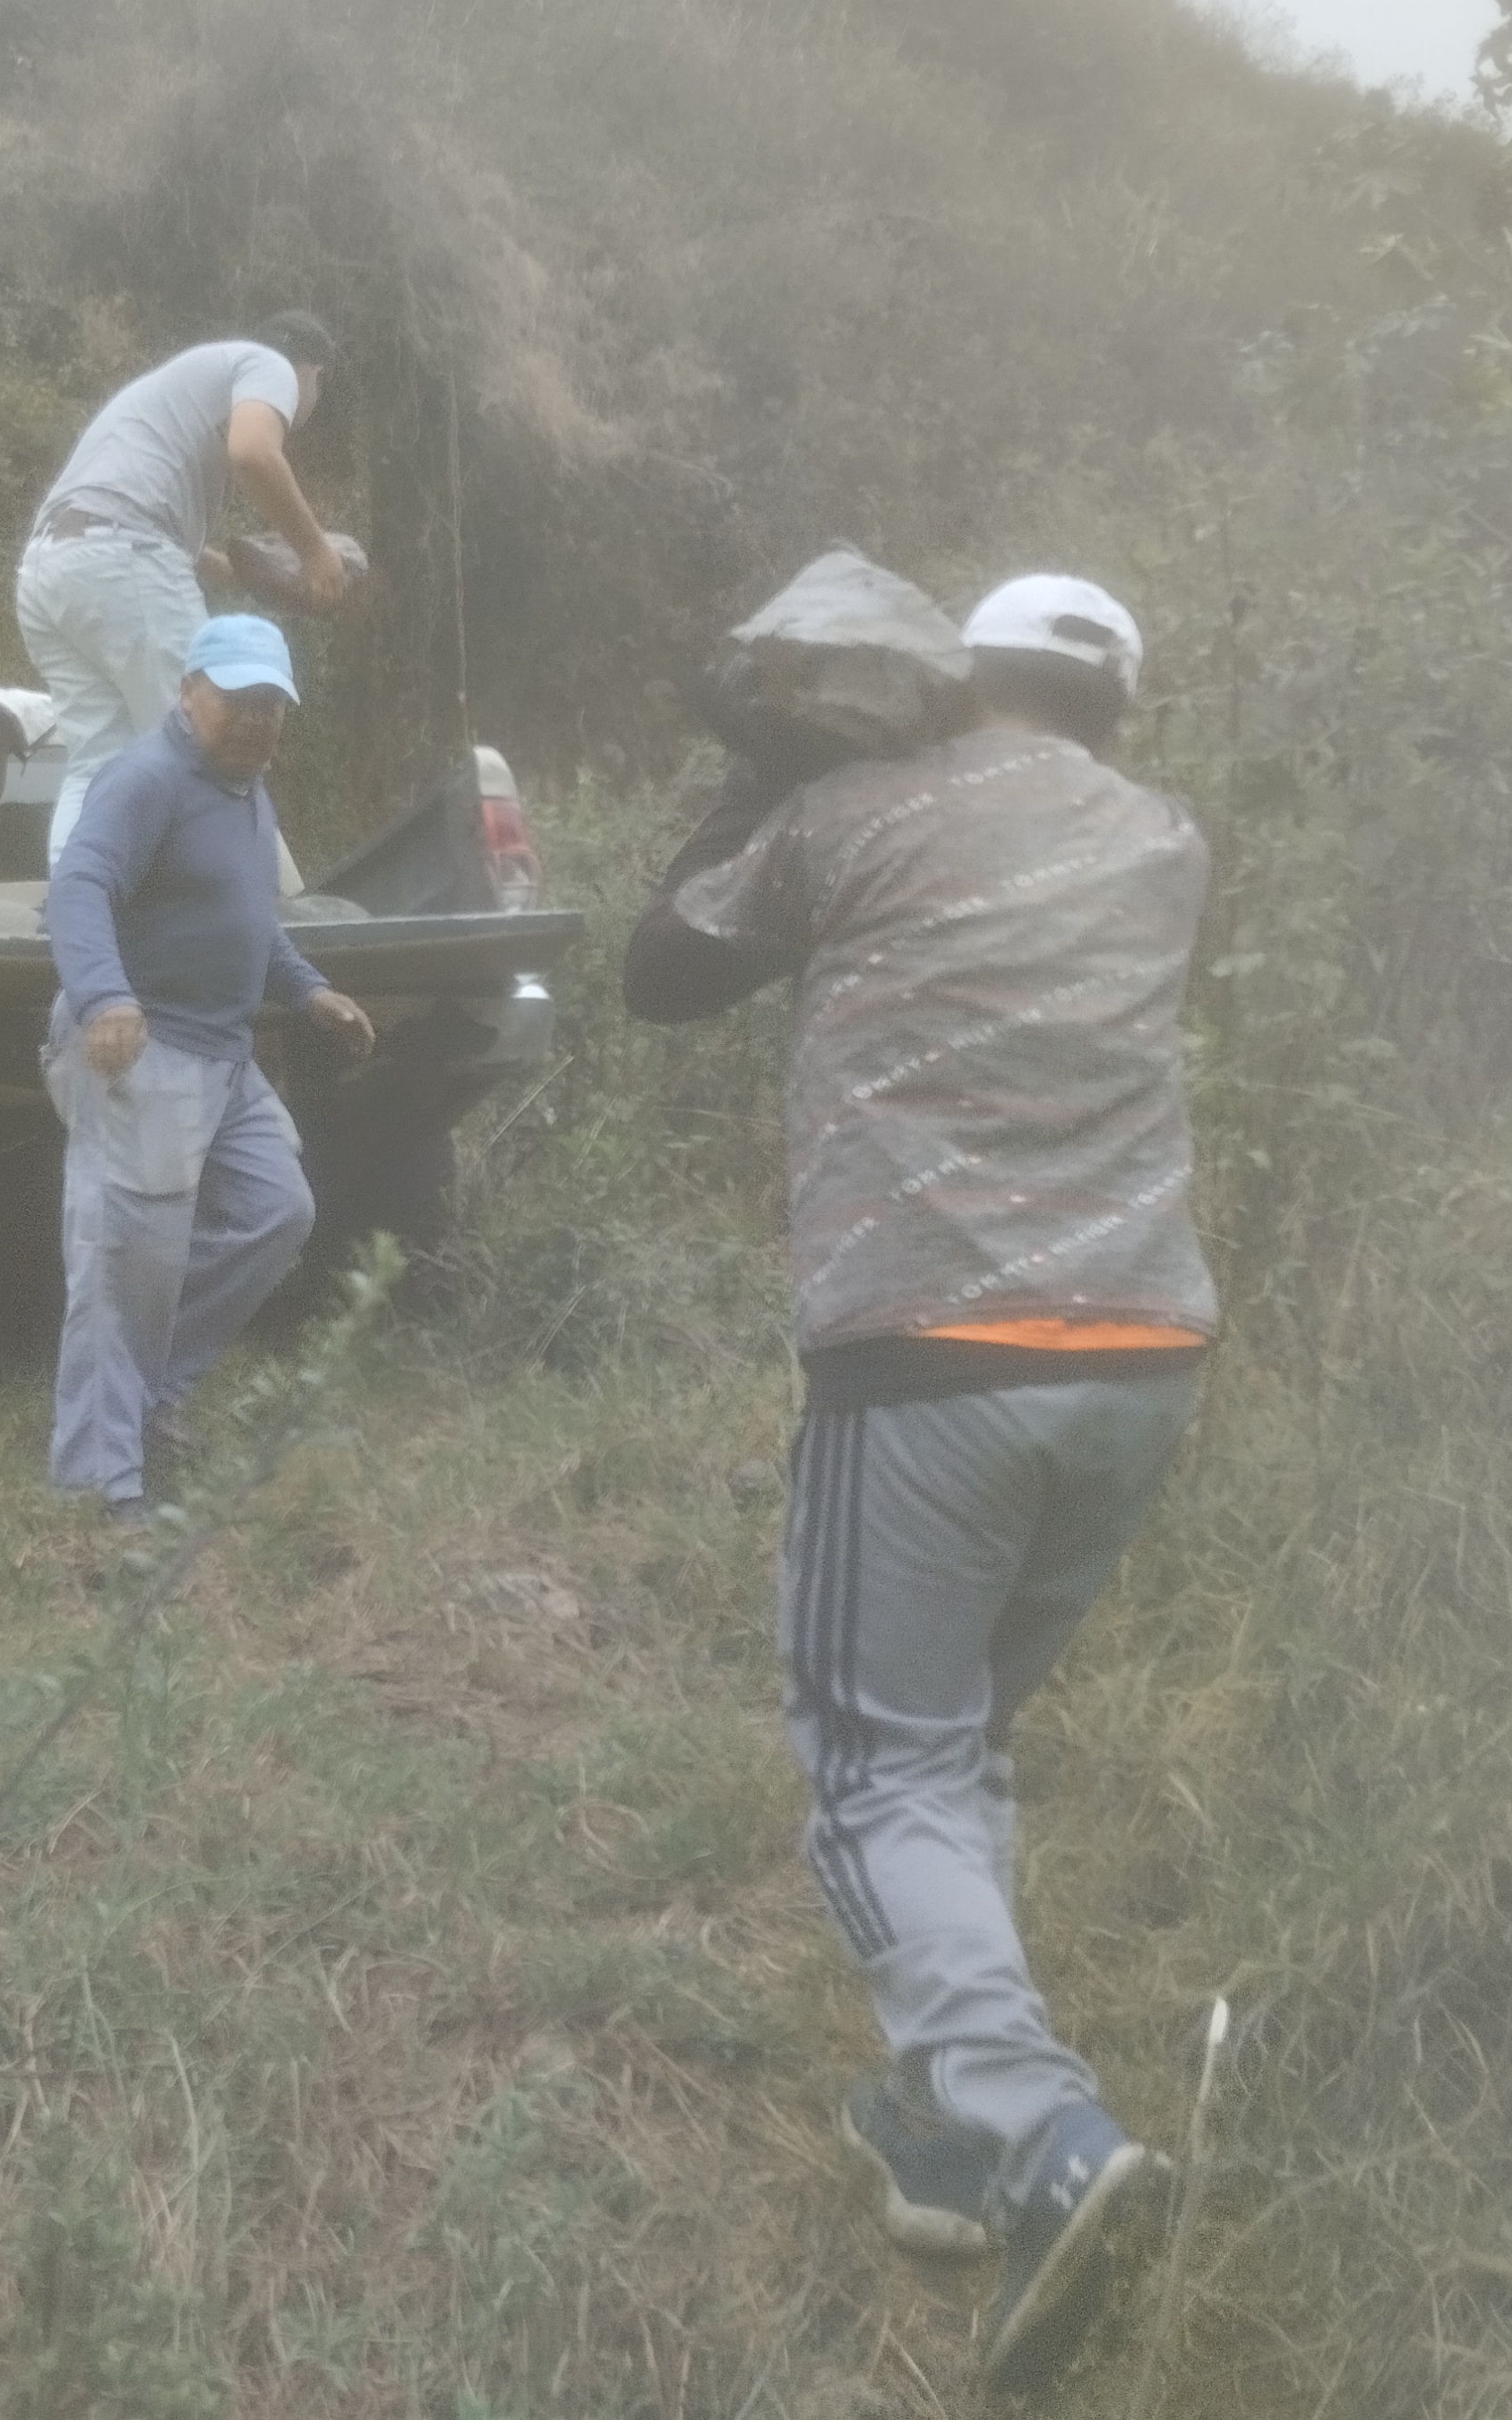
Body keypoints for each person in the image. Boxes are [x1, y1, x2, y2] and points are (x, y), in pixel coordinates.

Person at [622, 568, 1213, 2391]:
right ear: (1115, 707)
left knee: (878, 1769)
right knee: (958, 1752)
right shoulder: (1165, 841)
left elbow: (659, 975)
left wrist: (758, 762)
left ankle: (1042, 2140)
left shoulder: (854, 811)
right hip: (1140, 1360)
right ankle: (945, 2139)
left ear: (959, 669)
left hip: (933, 1363)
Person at [42, 613, 375, 1525]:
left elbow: (249, 917)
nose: (257, 720)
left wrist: (307, 990)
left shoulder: (247, 790)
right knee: (124, 1268)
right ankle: (101, 1481)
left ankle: (147, 1395)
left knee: (278, 1211)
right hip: (142, 1050)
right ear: (191, 691)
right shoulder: (147, 779)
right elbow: (78, 886)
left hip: (223, 1058)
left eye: (272, 704)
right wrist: (106, 997)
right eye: (239, 700)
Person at [18, 314, 353, 860]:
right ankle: (254, 903)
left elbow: (128, 513)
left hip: (50, 568)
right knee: (214, 739)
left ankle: (76, 902)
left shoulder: (187, 385)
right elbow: (253, 453)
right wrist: (316, 552)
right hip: (122, 557)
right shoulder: (269, 366)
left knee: (98, 763)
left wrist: (230, 569)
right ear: (315, 373)